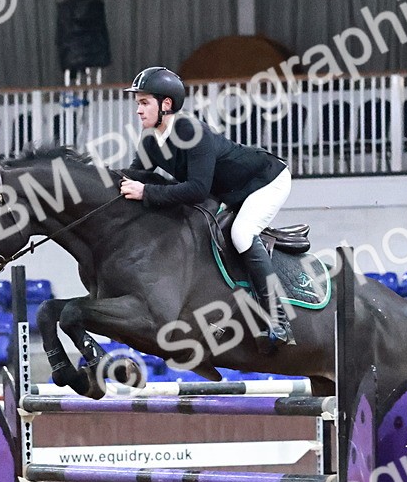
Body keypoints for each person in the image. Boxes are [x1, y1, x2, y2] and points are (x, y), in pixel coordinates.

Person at [118, 66, 295, 352]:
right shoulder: (150, 139)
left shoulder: (191, 131)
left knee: (241, 234)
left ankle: (279, 319)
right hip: (228, 192)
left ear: (166, 104)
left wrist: (146, 192)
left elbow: (197, 189)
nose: (138, 110)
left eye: (144, 102)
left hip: (265, 180)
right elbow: (134, 177)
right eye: (138, 103)